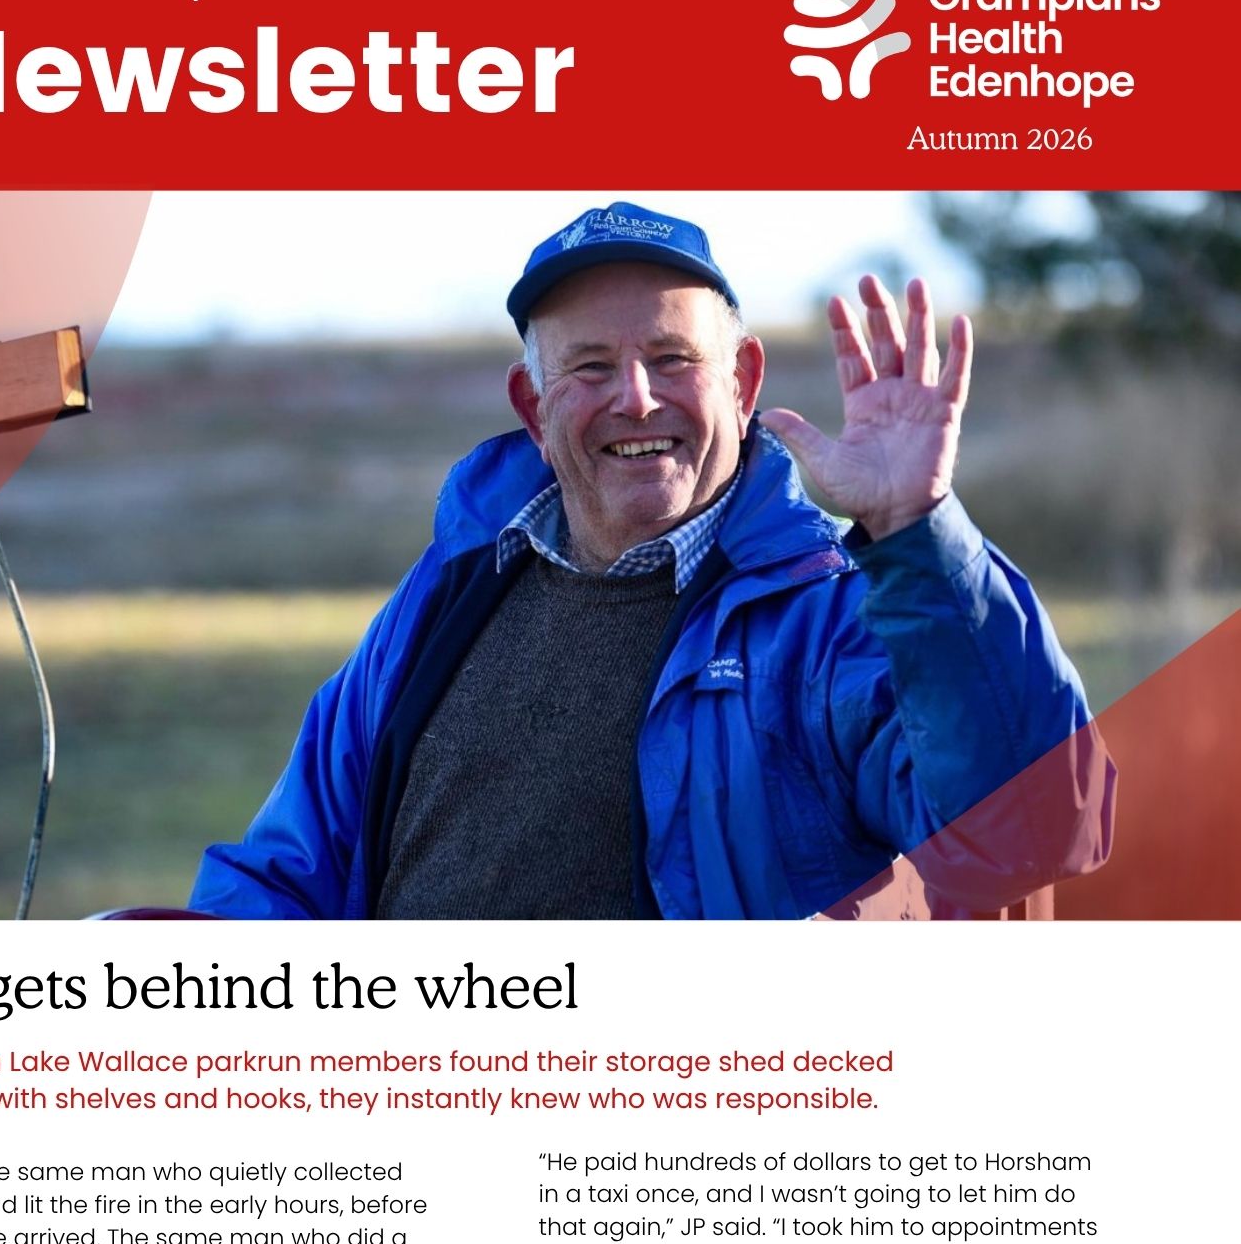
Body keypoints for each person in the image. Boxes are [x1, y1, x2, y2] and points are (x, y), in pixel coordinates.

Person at [189, 201, 1111, 920]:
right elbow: (285, 875)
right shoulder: (443, 598)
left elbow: (1032, 830)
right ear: (532, 406)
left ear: (744, 382)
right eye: (590, 368)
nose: (636, 399)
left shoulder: (834, 615)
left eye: (673, 359)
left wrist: (919, 532)